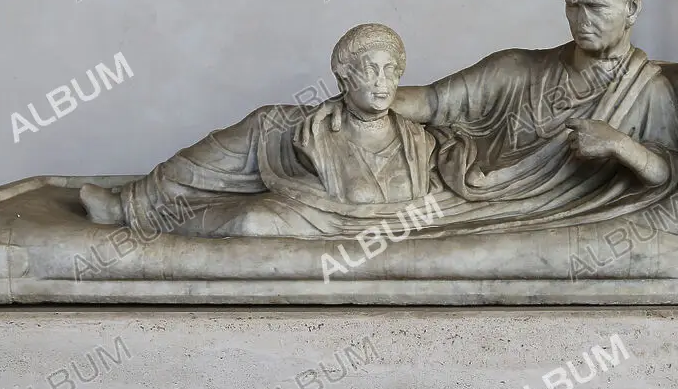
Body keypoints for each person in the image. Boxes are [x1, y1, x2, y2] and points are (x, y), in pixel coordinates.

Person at [300, 0, 678, 229]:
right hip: (450, 175)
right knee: (306, 144)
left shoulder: (647, 90)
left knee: (338, 202)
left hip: (509, 207)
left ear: (632, 8)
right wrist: (352, 101)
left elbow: (669, 174)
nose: (581, 19)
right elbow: (431, 101)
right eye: (573, 5)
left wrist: (620, 145)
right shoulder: (516, 68)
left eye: (596, 7)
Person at [78, 24, 440, 237]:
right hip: (300, 149)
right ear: (344, 77)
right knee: (263, 126)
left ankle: (160, 215)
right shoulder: (303, 129)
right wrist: (342, 105)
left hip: (342, 216)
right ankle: (129, 204)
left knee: (250, 222)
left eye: (391, 71)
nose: (382, 81)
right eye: (370, 70)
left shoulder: (417, 143)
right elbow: (436, 99)